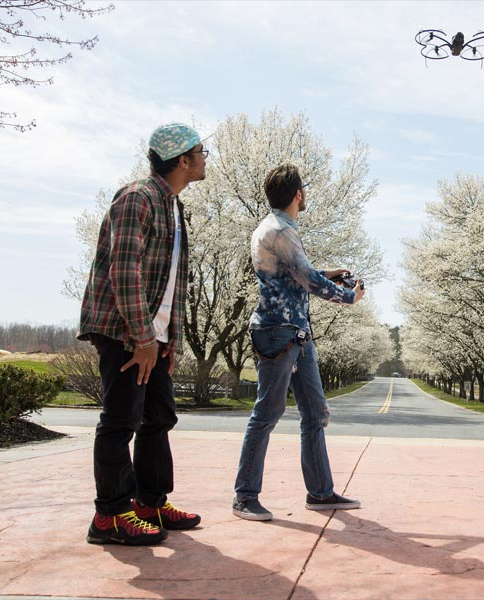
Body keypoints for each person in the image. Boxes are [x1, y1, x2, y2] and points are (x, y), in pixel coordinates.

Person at [78, 123, 207, 545]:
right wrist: (143, 337)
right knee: (121, 419)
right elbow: (124, 269)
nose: (207, 159)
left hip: (153, 335)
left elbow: (174, 283)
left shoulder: (173, 206)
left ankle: (149, 502)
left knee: (160, 417)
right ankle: (110, 516)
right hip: (123, 331)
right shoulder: (137, 198)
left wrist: (170, 340)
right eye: (202, 151)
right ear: (183, 159)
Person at [232, 163, 365, 521]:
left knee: (315, 412)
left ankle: (320, 493)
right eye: (304, 189)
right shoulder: (279, 230)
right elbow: (307, 279)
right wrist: (348, 296)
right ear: (298, 194)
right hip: (279, 332)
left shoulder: (277, 228)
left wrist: (328, 273)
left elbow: (295, 274)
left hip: (295, 331)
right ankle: (245, 496)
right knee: (267, 412)